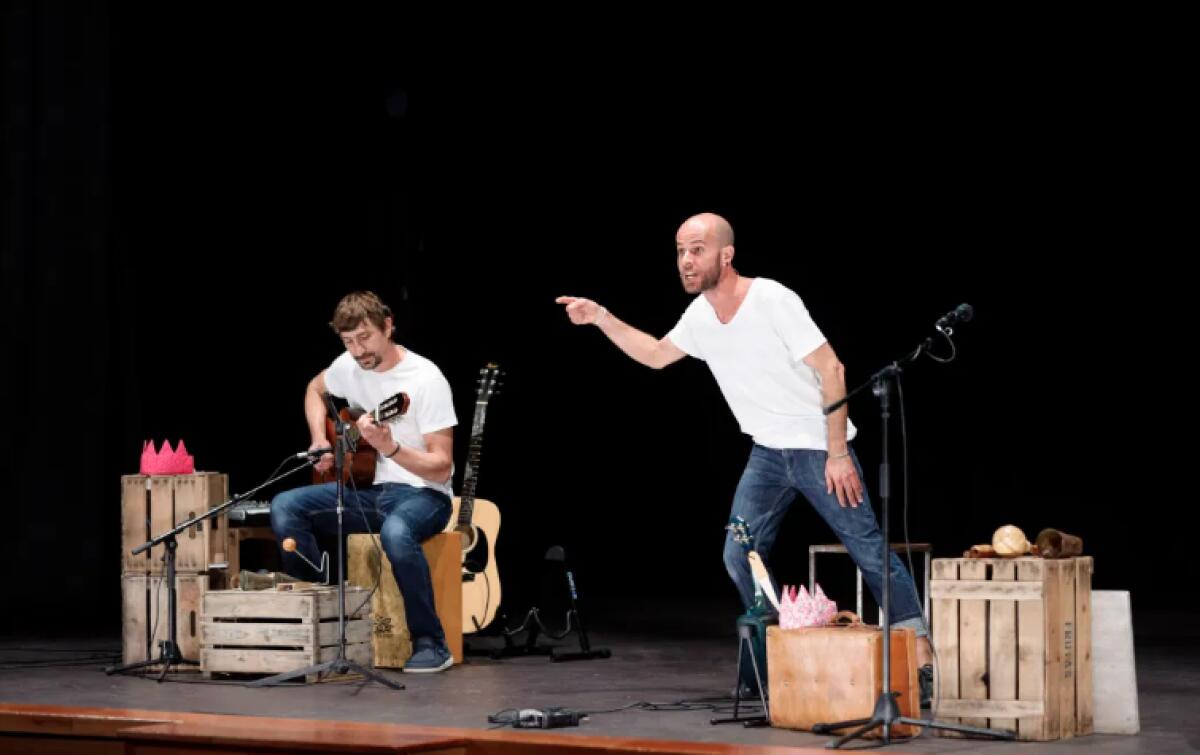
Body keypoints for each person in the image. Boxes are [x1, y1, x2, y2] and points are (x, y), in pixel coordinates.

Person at [556, 212, 933, 676]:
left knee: (867, 547)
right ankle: (774, 646)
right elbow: (656, 356)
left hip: (816, 447)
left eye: (697, 250)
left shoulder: (771, 299)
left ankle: (922, 653)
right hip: (767, 455)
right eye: (680, 252)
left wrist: (837, 453)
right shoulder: (699, 316)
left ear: (726, 254)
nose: (686, 261)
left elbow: (832, 370)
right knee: (739, 553)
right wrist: (600, 318)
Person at [270, 291, 457, 673]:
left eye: (365, 337)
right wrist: (320, 440)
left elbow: (441, 467)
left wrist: (391, 449)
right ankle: (321, 623)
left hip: (426, 496)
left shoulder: (425, 378)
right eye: (348, 341)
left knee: (397, 531)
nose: (358, 350)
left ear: (388, 325)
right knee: (286, 506)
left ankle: (431, 643)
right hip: (374, 493)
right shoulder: (348, 366)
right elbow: (314, 388)